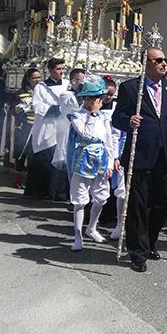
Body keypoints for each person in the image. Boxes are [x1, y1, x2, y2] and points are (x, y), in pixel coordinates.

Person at [112, 46, 167, 273]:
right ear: (146, 63)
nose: (164, 64)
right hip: (140, 154)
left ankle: (151, 240)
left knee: (165, 200)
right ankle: (138, 252)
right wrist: (128, 120)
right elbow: (117, 118)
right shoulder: (131, 88)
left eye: (165, 59)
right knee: (138, 206)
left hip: (164, 154)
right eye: (158, 60)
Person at [66, 77, 122, 251]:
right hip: (83, 160)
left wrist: (111, 162)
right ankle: (77, 235)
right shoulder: (78, 116)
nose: (98, 101)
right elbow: (86, 134)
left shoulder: (105, 117)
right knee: (80, 200)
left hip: (102, 161)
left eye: (98, 98)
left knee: (100, 198)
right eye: (94, 98)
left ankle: (92, 227)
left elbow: (110, 141)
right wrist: (92, 115)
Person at [28, 59, 69, 200]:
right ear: (50, 70)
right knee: (46, 158)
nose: (62, 71)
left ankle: (58, 192)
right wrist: (55, 109)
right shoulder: (41, 87)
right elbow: (38, 106)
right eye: (58, 69)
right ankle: (41, 191)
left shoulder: (67, 84)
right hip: (47, 127)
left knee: (61, 159)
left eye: (63, 68)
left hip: (63, 127)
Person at [11, 68, 41, 189]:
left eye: (39, 77)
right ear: (28, 79)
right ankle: (17, 179)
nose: (37, 80)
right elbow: (13, 110)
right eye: (34, 78)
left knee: (36, 155)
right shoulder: (19, 93)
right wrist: (22, 108)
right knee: (21, 153)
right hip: (25, 126)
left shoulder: (43, 92)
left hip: (40, 126)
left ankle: (32, 181)